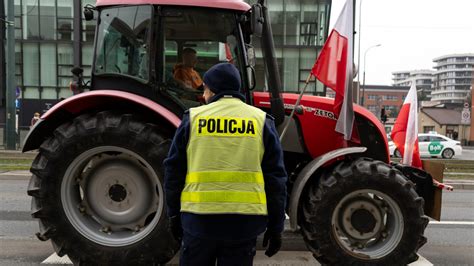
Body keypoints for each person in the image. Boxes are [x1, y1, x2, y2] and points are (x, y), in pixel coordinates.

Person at [164, 63, 287, 266]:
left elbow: (173, 172)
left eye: (204, 89)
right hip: (243, 226)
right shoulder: (261, 121)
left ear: (212, 90)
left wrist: (174, 215)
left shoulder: (193, 119)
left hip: (198, 222)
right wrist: (276, 227)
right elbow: (276, 180)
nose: (203, 95)